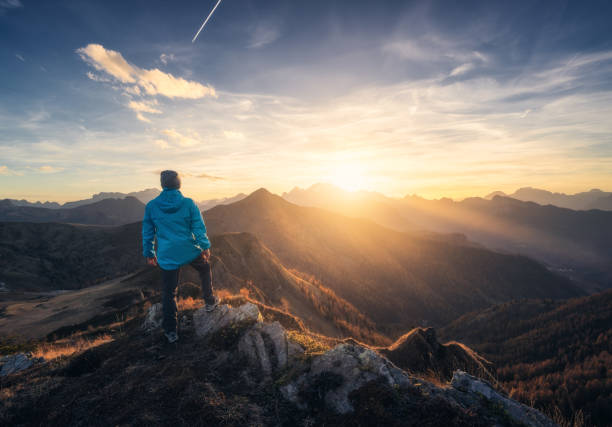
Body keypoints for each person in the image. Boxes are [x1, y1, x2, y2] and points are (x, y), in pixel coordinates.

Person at [142, 170, 219, 344]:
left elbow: (147, 232)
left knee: (169, 292)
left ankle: (171, 332)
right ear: (179, 184)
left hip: (167, 254)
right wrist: (205, 246)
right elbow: (198, 227)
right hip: (188, 249)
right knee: (205, 268)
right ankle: (210, 301)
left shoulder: (152, 206)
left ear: (163, 185)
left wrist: (149, 253)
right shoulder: (189, 203)